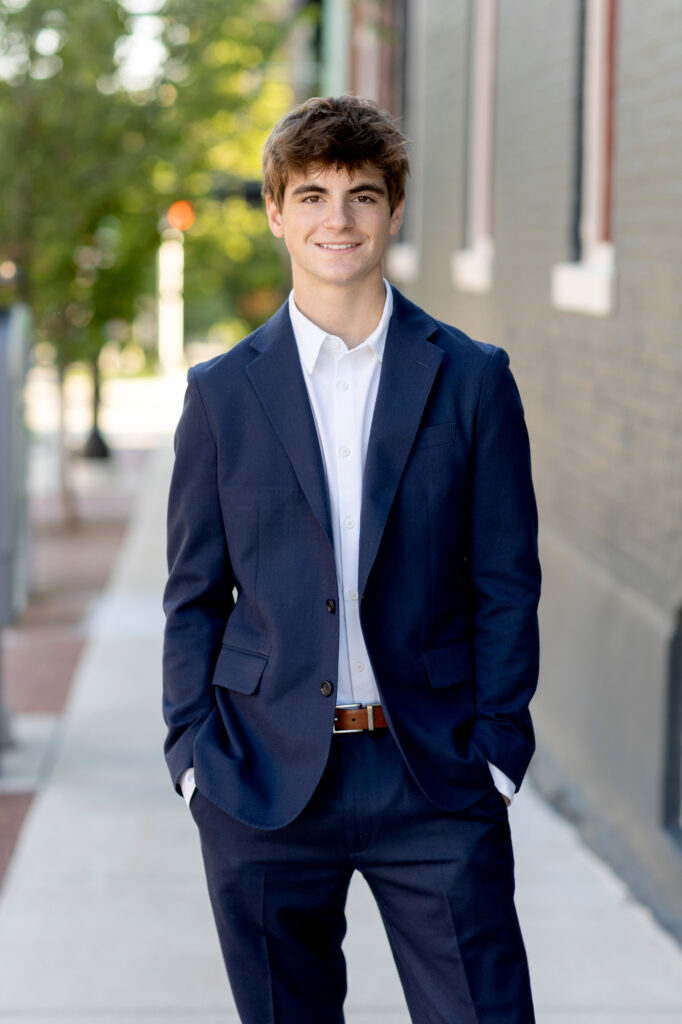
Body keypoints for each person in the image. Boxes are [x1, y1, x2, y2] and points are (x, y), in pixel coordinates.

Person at [162, 94, 541, 1024]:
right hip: (262, 780)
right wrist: (192, 756)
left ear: (393, 211)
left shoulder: (472, 378)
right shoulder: (220, 396)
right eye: (314, 195)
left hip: (435, 771)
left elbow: (506, 581)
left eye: (363, 195)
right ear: (276, 212)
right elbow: (194, 596)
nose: (339, 218)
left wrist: (496, 749)